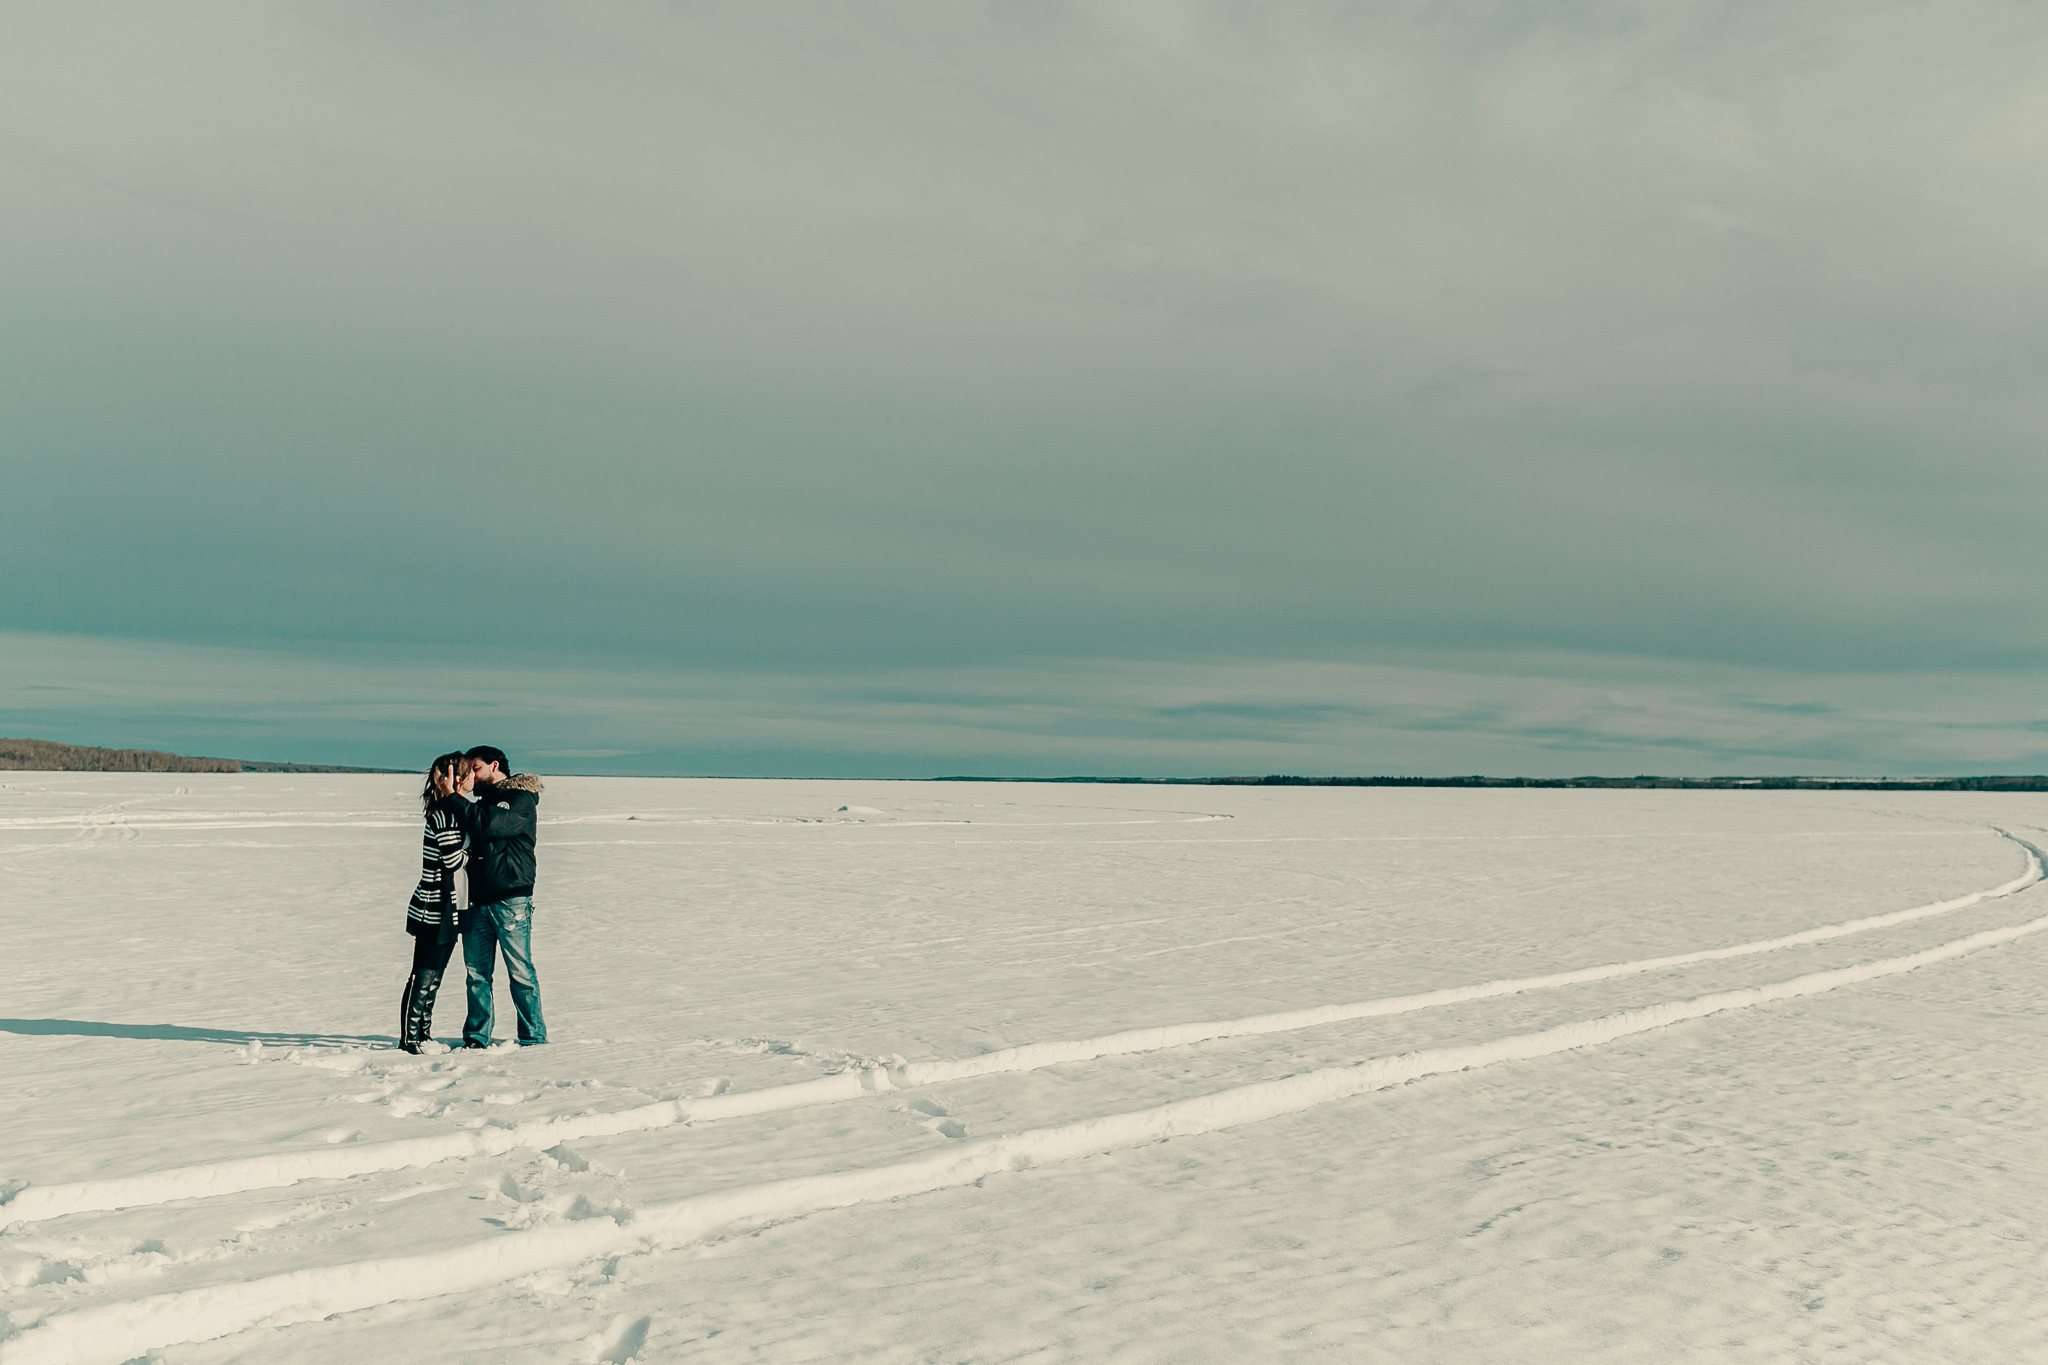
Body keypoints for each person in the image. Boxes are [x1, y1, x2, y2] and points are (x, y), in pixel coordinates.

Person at [433, 745, 547, 1047]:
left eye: (476, 768)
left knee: (520, 972)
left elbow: (489, 825)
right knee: (476, 975)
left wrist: (455, 797)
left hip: (511, 899)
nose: (471, 775)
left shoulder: (519, 800)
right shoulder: (481, 804)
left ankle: (533, 1038)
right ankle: (476, 1038)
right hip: (476, 900)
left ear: (494, 766)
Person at [400, 752, 470, 1054]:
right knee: (423, 972)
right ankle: (409, 1038)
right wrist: (477, 852)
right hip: (433, 906)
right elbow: (454, 859)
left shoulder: (451, 811)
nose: (473, 780)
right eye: (468, 774)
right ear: (456, 779)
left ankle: (423, 1032)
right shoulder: (443, 814)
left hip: (447, 906)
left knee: (434, 974)